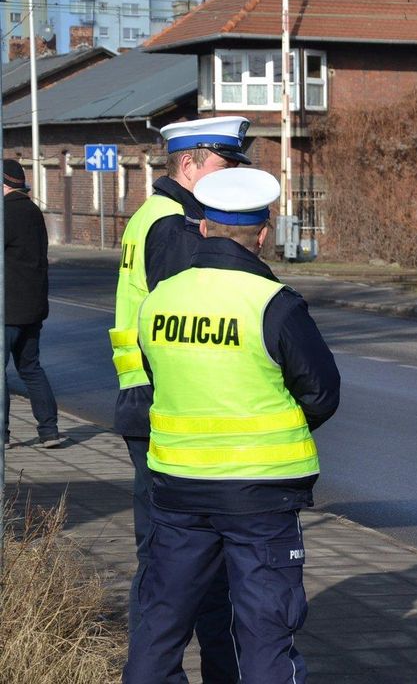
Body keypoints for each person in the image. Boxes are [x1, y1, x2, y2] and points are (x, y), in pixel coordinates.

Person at [123, 167, 340, 683]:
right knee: (264, 632)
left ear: (201, 228)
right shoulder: (274, 305)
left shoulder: (159, 301)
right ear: (262, 236)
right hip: (259, 497)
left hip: (176, 490)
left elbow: (158, 377)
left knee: (160, 626)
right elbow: (322, 394)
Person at [108, 116, 251, 680]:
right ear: (189, 165)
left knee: (187, 558)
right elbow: (193, 321)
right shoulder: (173, 227)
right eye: (226, 162)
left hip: (153, 406)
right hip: (167, 409)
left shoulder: (158, 216)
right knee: (172, 562)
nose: (234, 173)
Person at [2, 159, 60, 450]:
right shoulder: (33, 211)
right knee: (31, 368)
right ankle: (49, 430)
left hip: (7, 310)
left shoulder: (5, 214)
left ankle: (2, 435)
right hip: (33, 308)